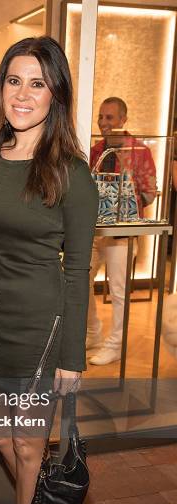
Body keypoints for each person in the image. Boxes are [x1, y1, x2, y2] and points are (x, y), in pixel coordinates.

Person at [0, 36, 98, 504]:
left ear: (55, 95)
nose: (23, 94)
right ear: (1, 90)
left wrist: (72, 359)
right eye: (14, 81)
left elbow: (78, 271)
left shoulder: (72, 174)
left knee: (25, 441)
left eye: (37, 83)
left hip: (41, 326)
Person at [87, 97, 157, 365]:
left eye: (110, 118)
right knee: (80, 281)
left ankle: (115, 344)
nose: (103, 123)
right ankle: (93, 333)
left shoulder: (139, 150)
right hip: (93, 229)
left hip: (123, 231)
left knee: (118, 288)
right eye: (101, 117)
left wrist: (126, 206)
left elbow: (149, 192)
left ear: (123, 120)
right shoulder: (95, 150)